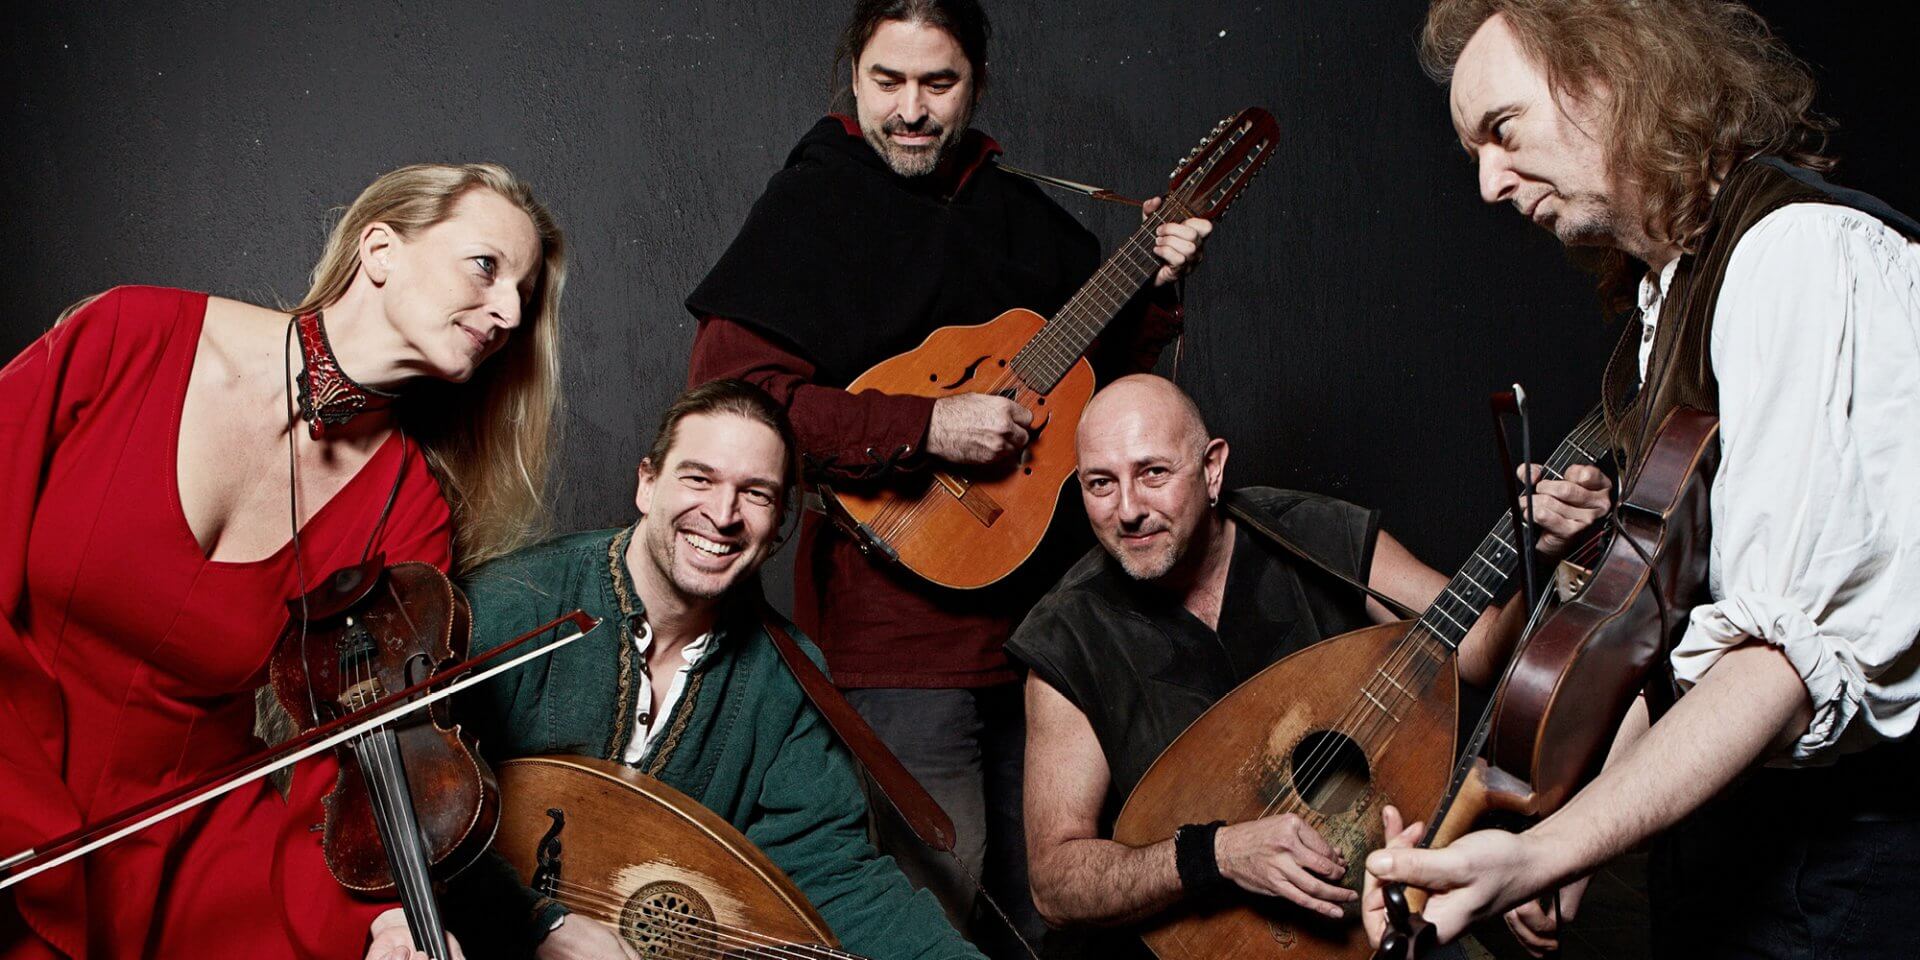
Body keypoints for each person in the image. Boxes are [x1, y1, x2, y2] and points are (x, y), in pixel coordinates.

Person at [1361, 4, 1920, 958]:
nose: (1490, 184)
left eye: (1503, 131)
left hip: (1842, 867)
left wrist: (1542, 854)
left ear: (1608, 74)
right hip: (1729, 845)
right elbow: (1686, 644)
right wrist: (1571, 840)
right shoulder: (1674, 297)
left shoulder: (1798, 260)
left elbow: (1784, 662)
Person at [682, 0, 1215, 947]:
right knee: (934, 894)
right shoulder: (810, 206)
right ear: (853, 77)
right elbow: (733, 407)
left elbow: (1088, 373)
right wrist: (927, 426)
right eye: (888, 81)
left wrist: (1157, 285)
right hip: (900, 635)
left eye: (939, 82)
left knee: (1060, 895)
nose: (912, 110)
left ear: (976, 84)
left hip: (1049, 626)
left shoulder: (1014, 212)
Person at [0, 163, 567, 959]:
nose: (508, 310)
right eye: (487, 266)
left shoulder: (407, 511)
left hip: (172, 854)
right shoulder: (131, 334)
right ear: (379, 249)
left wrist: (396, 914)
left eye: (524, 295)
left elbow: (379, 760)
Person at [362, 379, 983, 960]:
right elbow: (407, 803)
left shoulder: (790, 676)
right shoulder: (512, 606)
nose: (723, 513)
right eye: (699, 479)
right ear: (647, 483)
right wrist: (538, 922)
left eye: (756, 493)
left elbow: (827, 871)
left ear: (778, 524)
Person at [1006, 374, 1608, 958]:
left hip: (1368, 910)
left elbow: (1475, 651)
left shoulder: (1311, 533)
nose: (1128, 509)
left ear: (1212, 468)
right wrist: (1214, 855)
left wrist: (1544, 559)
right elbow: (1056, 884)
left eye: (1154, 473)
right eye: (1100, 485)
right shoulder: (1068, 634)